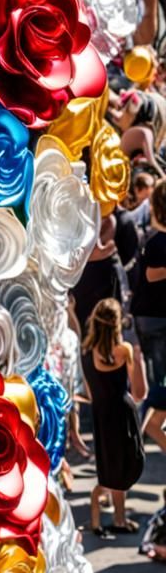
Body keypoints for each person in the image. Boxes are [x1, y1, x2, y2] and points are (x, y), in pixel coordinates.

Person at [82, 298, 147, 537]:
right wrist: (138, 361)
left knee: (111, 465)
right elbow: (139, 393)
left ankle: (118, 519)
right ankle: (104, 506)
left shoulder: (86, 353)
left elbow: (90, 393)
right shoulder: (124, 350)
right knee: (128, 464)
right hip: (123, 413)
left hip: (102, 415)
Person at [131, 176, 166, 454]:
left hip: (154, 317)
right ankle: (138, 432)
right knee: (159, 381)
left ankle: (143, 430)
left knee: (159, 380)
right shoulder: (156, 241)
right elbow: (152, 275)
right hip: (154, 319)